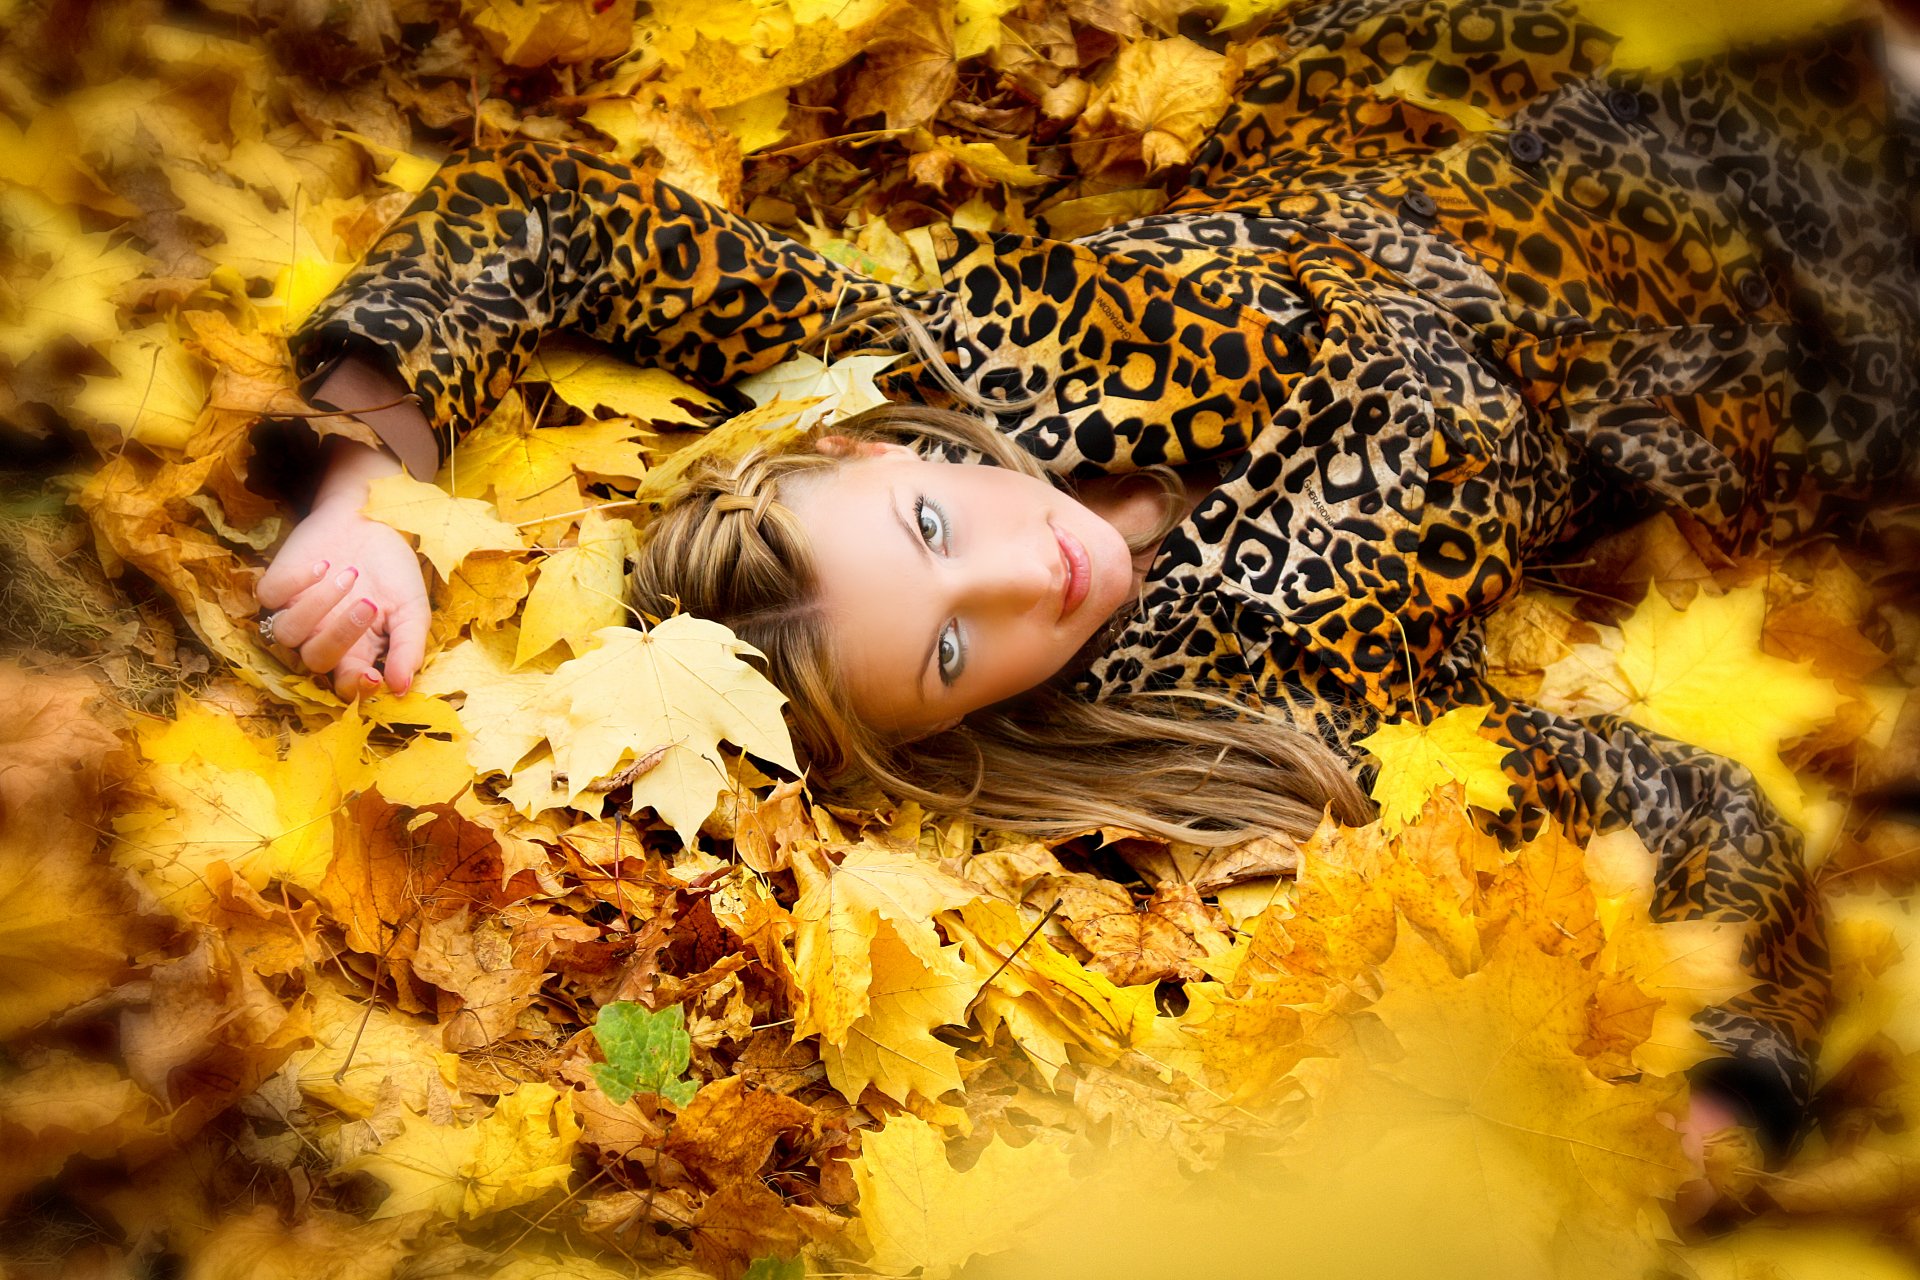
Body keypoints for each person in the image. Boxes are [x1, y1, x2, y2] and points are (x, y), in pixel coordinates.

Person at [247, 0, 1920, 1224]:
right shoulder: (1304, 720)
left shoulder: (931, 361)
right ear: (967, 728)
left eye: (928, 517)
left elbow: (550, 215)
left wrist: (372, 485)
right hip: (1754, 303)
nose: (1013, 569)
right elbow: (1686, 814)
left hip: (1451, 77)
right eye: (955, 650)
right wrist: (1743, 1074)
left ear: (877, 443)